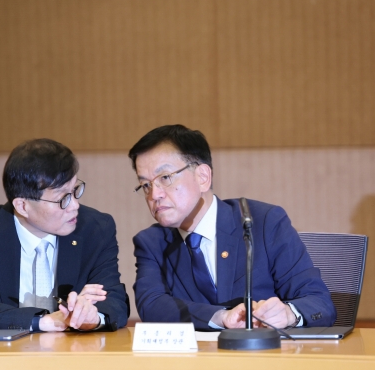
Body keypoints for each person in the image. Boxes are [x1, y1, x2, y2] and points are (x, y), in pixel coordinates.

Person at [129, 125, 336, 330]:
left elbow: (320, 303)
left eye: (165, 178)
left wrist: (289, 314)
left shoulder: (263, 222)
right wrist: (220, 317)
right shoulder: (152, 242)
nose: (154, 195)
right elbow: (152, 306)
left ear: (202, 177)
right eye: (145, 184)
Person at [0, 138, 128, 332]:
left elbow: (115, 301)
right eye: (63, 198)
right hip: (2, 357)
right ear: (22, 206)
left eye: (75, 191)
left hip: (74, 355)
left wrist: (93, 317)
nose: (75, 206)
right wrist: (42, 321)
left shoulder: (96, 228)